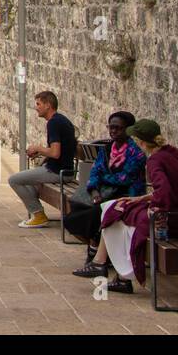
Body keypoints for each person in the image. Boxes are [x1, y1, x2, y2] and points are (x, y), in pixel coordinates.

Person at [88, 119, 178, 294]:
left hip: (170, 221)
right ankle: (111, 269)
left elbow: (164, 193)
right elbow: (169, 189)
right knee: (118, 208)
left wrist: (150, 207)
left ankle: (115, 271)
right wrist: (142, 198)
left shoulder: (154, 161)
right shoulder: (173, 152)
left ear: (142, 142)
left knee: (118, 213)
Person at [65, 111, 147, 266]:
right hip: (105, 193)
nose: (113, 131)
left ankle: (95, 249)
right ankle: (95, 246)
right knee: (75, 208)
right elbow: (95, 172)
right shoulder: (107, 149)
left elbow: (124, 179)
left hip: (127, 197)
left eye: (118, 128)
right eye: (111, 127)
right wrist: (95, 191)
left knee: (95, 213)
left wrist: (102, 179)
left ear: (128, 130)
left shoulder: (136, 153)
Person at [8, 90, 78, 228]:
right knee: (27, 181)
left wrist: (38, 148)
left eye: (39, 104)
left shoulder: (53, 123)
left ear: (48, 105)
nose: (36, 107)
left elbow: (55, 153)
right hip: (63, 169)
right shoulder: (60, 120)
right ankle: (36, 213)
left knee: (14, 180)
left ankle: (38, 214)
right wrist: (41, 154)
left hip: (58, 172)